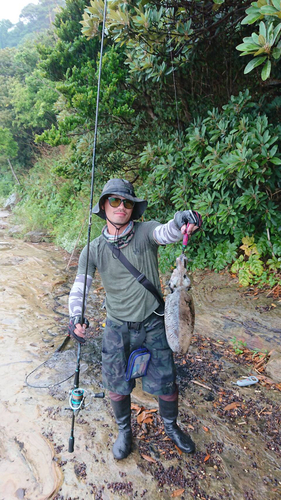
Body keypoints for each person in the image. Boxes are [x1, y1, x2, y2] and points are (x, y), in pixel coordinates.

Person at [68, 178, 202, 460]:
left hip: (154, 321)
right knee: (116, 385)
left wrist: (182, 221)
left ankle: (171, 425)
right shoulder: (92, 250)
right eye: (114, 201)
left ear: (133, 208)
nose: (121, 207)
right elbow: (81, 286)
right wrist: (75, 317)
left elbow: (167, 233)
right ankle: (124, 431)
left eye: (127, 202)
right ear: (103, 205)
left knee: (167, 382)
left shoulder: (145, 232)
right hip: (117, 327)